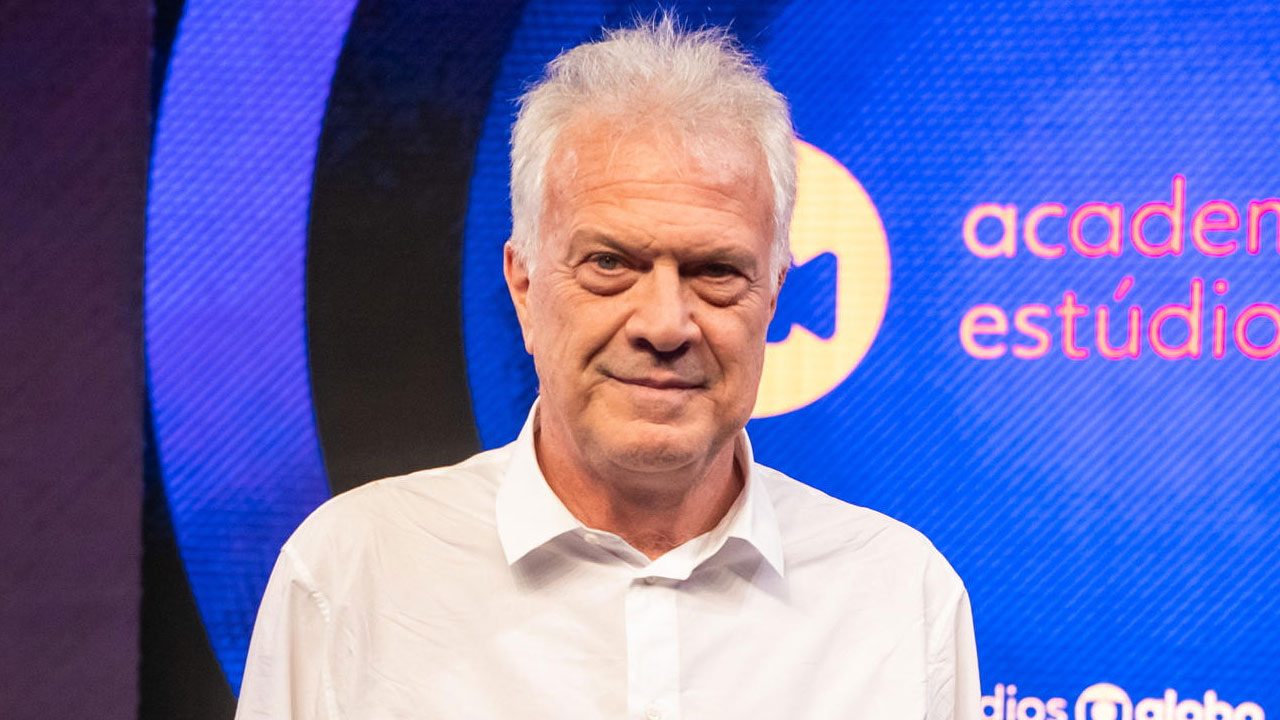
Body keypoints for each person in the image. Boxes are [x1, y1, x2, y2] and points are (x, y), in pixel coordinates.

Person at [236, 15, 980, 720]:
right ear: (524, 288)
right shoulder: (351, 577)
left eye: (716, 270)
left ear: (775, 295)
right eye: (610, 263)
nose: (664, 324)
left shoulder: (897, 598)